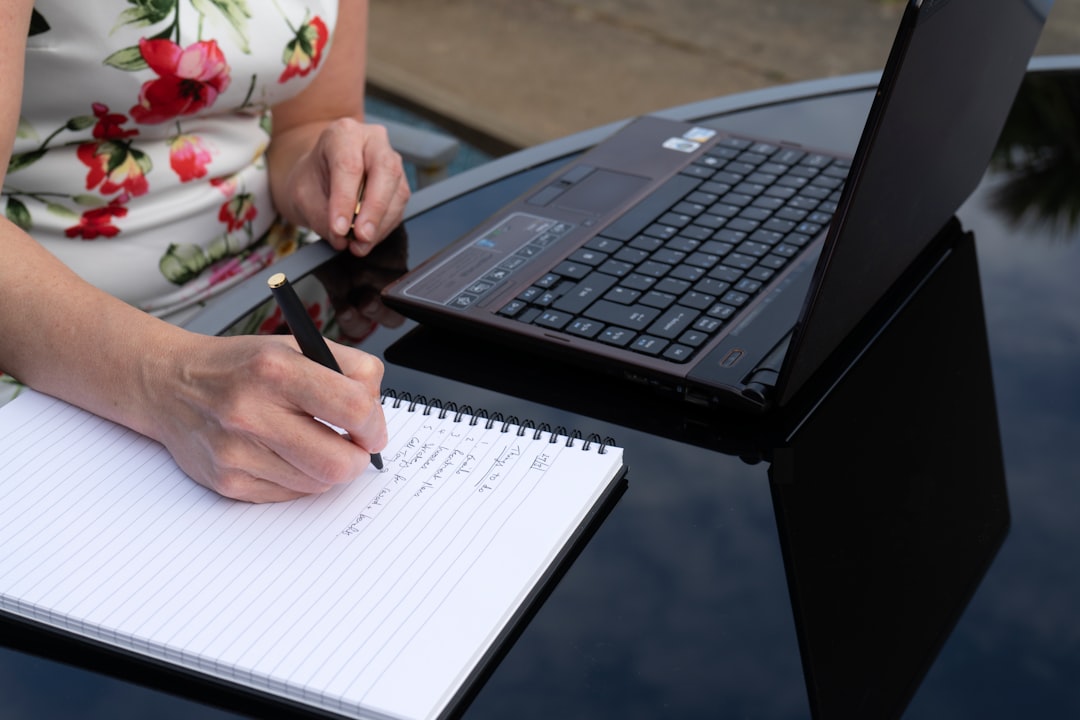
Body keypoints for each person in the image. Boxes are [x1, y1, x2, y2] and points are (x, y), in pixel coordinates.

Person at [0, 0, 410, 503]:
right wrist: (173, 379)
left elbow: (309, 120)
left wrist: (321, 173)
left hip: (273, 304)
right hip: (50, 343)